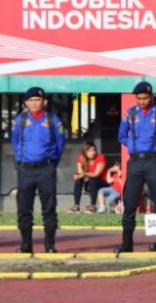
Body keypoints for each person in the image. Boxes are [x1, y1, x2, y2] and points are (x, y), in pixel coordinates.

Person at [114, 81, 156, 253]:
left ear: (151, 97)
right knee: (130, 201)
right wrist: (133, 146)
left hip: (155, 160)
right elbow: (121, 135)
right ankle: (126, 243)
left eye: (145, 98)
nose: (141, 102)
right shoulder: (130, 113)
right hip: (136, 162)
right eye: (138, 99)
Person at [12, 87, 66, 253]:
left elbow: (60, 144)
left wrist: (51, 166)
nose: (34, 103)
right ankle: (26, 245)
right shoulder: (19, 121)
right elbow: (15, 143)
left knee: (49, 208)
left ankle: (49, 245)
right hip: (26, 170)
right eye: (31, 100)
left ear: (45, 102)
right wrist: (22, 162)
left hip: (46, 169)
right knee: (24, 209)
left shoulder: (53, 120)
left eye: (38, 100)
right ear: (25, 103)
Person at [70, 141, 108, 214]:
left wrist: (84, 174)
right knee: (78, 181)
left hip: (102, 181)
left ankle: (92, 206)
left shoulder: (100, 157)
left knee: (93, 180)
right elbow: (81, 173)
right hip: (89, 179)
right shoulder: (80, 158)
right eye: (89, 151)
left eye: (93, 150)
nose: (92, 152)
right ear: (85, 152)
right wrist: (77, 176)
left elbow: (96, 174)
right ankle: (76, 205)